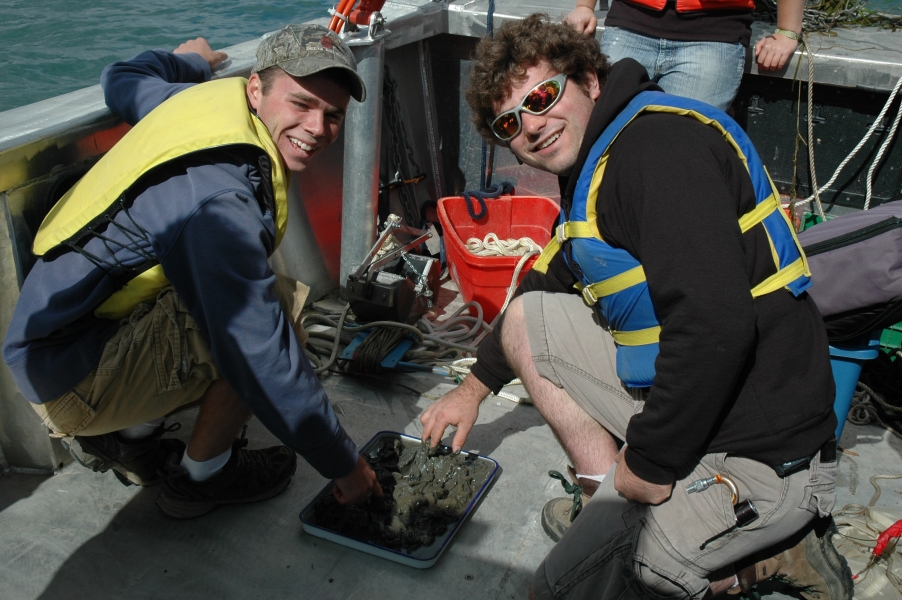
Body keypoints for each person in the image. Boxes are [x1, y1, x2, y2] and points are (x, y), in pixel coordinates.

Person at [420, 14, 851, 600]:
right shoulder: (600, 157)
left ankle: (764, 556)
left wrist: (647, 467)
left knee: (565, 588)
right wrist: (472, 388)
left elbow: (715, 326)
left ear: (590, 79)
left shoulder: (656, 152)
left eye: (543, 96)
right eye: (508, 122)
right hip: (700, 410)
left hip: (762, 452)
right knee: (528, 319)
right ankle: (607, 500)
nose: (532, 126)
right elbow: (550, 274)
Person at [2, 24, 382, 519]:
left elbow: (123, 75)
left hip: (62, 340)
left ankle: (132, 439)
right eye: (301, 104)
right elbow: (261, 357)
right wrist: (344, 464)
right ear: (254, 89)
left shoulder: (188, 105)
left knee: (251, 303)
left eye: (333, 116)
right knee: (277, 325)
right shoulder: (217, 202)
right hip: (70, 381)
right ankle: (203, 478)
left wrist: (192, 62)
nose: (317, 128)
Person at [564, 0, 804, 111]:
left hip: (713, 37)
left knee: (681, 144)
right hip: (630, 25)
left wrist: (788, 31)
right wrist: (584, 6)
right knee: (604, 133)